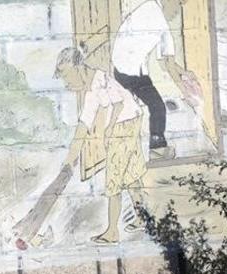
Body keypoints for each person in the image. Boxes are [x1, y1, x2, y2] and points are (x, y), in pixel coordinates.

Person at [17, 47, 147, 247]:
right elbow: (82, 127)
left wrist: (110, 129)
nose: (66, 82)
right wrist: (70, 160)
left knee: (114, 180)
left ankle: (112, 232)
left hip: (124, 125)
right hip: (133, 118)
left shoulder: (100, 81)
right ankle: (143, 217)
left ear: (78, 68)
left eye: (67, 76)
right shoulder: (91, 92)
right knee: (130, 176)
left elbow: (119, 103)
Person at [110, 0, 202, 160]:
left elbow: (165, 63)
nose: (179, 9)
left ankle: (154, 148)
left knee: (153, 106)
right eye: (179, 3)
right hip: (129, 72)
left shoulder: (153, 9)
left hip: (124, 69)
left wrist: (184, 72)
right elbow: (168, 64)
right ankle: (157, 149)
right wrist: (185, 92)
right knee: (158, 107)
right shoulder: (157, 18)